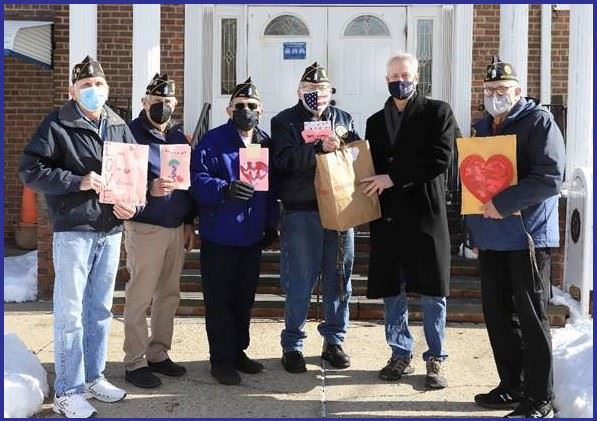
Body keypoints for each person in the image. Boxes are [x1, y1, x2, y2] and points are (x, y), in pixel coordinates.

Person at [19, 56, 136, 418]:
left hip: (110, 229)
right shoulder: (57, 124)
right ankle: (68, 390)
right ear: (72, 91)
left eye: (98, 85)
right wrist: (77, 181)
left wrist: (133, 206)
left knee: (99, 310)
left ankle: (92, 378)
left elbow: (134, 174)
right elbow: (31, 170)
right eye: (85, 86)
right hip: (74, 229)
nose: (93, 91)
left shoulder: (117, 124)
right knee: (70, 313)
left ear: (107, 89)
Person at [465, 56, 565, 418]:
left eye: (503, 89)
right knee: (497, 314)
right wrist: (473, 230)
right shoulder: (482, 128)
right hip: (491, 237)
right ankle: (512, 385)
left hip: (528, 237)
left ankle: (539, 398)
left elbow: (551, 176)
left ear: (518, 91)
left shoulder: (539, 122)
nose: (496, 95)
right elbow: (472, 183)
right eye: (490, 90)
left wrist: (505, 203)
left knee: (530, 316)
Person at [361, 52, 459, 389]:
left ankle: (435, 358)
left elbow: (442, 158)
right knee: (393, 289)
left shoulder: (437, 112)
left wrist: (394, 178)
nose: (398, 80)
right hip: (388, 218)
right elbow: (367, 164)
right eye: (392, 75)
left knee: (432, 291)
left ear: (417, 76)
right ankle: (400, 352)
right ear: (386, 79)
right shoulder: (375, 121)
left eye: (404, 74)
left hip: (425, 215)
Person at [190, 78, 279, 385]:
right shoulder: (212, 142)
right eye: (239, 106)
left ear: (261, 110)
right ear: (229, 110)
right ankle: (220, 359)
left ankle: (238, 351)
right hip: (220, 236)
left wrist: (270, 224)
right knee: (220, 300)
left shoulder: (265, 143)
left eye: (251, 106)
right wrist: (224, 189)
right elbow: (197, 181)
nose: (245, 110)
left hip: (252, 236)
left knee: (244, 299)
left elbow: (271, 190)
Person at [270, 62, 359, 373]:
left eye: (321, 90)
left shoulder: (344, 119)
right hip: (301, 212)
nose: (316, 95)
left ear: (330, 92)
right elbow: (281, 160)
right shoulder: (284, 122)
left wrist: (343, 146)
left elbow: (359, 156)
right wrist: (317, 149)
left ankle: (334, 340)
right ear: (299, 92)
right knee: (299, 281)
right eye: (309, 90)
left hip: (340, 212)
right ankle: (292, 344)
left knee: (338, 281)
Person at [122, 74, 196, 388]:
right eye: (156, 102)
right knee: (139, 297)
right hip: (145, 228)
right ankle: (134, 361)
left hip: (175, 228)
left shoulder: (179, 138)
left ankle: (158, 353)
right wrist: (147, 188)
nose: (161, 107)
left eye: (167, 102)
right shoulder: (129, 133)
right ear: (144, 103)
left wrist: (189, 222)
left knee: (168, 295)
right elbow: (120, 180)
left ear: (174, 104)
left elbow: (187, 185)